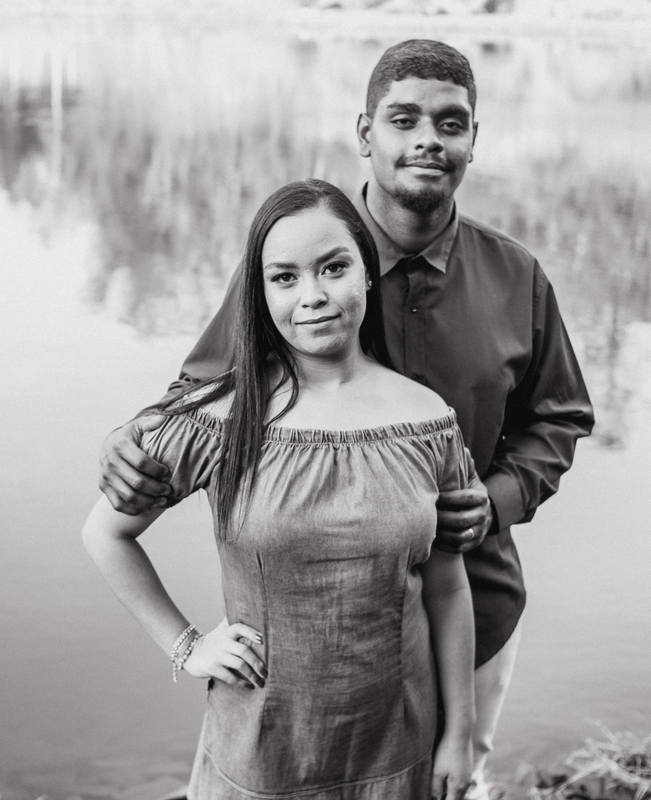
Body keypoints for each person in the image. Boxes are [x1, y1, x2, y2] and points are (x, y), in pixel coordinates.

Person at [99, 40, 595, 798]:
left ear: (474, 140)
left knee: (452, 781)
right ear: (365, 133)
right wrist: (127, 439)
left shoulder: (515, 276)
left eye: (451, 123)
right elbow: (200, 395)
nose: (427, 140)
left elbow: (559, 417)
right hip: (315, 644)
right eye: (403, 119)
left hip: (472, 598)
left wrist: (494, 501)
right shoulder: (300, 257)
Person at [83, 179, 479, 800]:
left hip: (399, 745)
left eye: (333, 268)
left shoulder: (427, 419)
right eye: (285, 278)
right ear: (261, 293)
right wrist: (188, 646)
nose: (312, 296)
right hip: (262, 753)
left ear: (366, 273)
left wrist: (460, 732)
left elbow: (448, 588)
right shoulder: (221, 417)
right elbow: (106, 534)